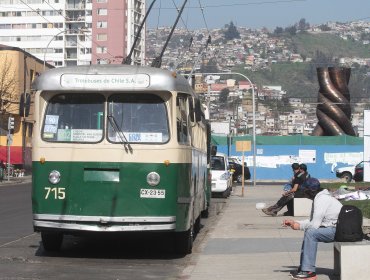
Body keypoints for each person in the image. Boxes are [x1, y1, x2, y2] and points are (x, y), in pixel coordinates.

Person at [283, 183, 342, 279]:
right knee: (309, 232)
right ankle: (304, 267)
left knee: (311, 233)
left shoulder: (322, 199)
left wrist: (299, 226)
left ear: (310, 192)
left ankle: (309, 271)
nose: (304, 195)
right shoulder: (320, 197)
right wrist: (296, 222)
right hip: (335, 228)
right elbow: (313, 221)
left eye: (305, 193)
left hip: (338, 231)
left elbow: (314, 225)